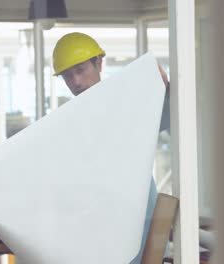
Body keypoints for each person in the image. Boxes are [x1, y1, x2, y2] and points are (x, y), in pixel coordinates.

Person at [52, 32, 170, 263]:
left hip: (144, 217)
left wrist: (162, 87)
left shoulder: (129, 103)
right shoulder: (67, 123)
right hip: (99, 226)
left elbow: (171, 116)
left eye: (80, 70)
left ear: (99, 62)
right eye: (68, 76)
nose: (75, 82)